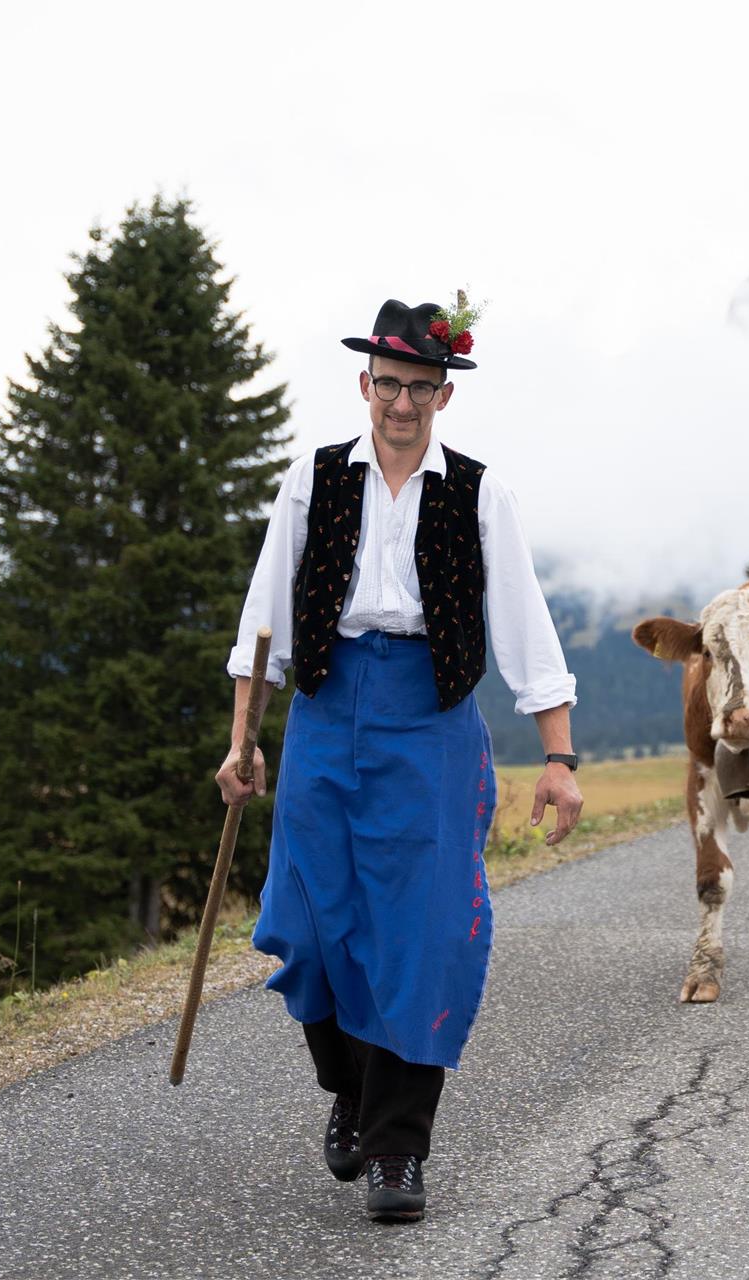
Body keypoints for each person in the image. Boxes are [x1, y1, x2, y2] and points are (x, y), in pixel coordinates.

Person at [216, 297, 585, 1223]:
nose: (404, 405)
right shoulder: (312, 480)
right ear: (365, 386)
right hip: (326, 707)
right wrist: (241, 740)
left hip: (431, 716)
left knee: (420, 930)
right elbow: (264, 622)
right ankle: (350, 1082)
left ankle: (395, 1148)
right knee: (309, 921)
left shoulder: (478, 492)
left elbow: (527, 631)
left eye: (423, 388)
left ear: (444, 396)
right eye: (390, 386)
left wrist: (559, 755)